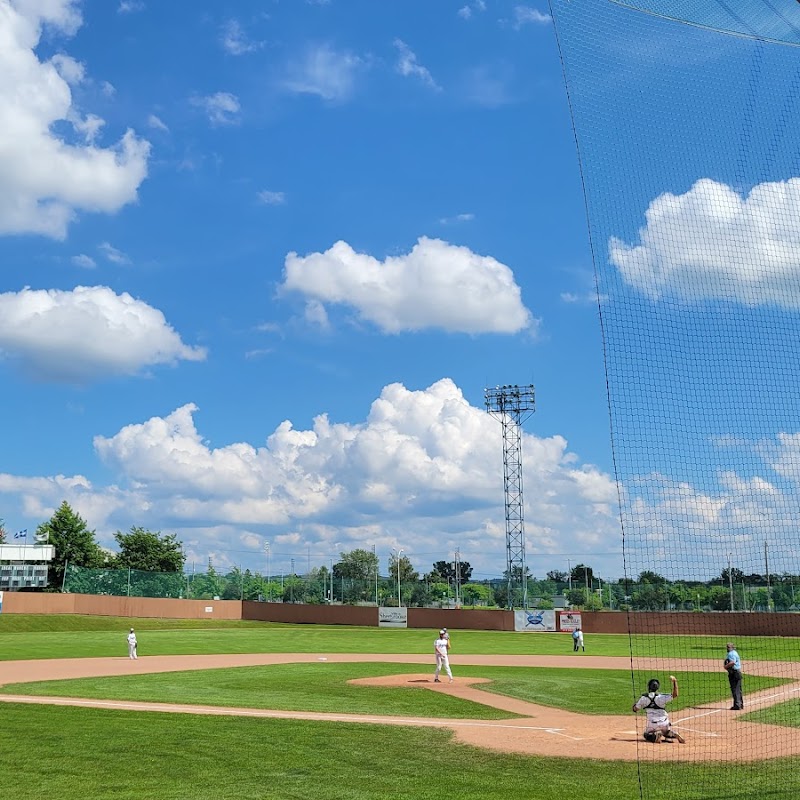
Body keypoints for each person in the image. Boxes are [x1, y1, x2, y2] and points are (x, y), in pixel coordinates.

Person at [632, 675, 685, 743]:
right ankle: (673, 734)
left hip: (653, 724)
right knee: (665, 733)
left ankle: (656, 736)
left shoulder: (643, 698)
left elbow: (636, 709)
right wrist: (675, 681)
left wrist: (634, 707)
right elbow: (675, 695)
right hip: (665, 723)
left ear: (649, 687)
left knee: (646, 734)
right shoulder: (661, 697)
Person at [724, 642, 743, 710]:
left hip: (734, 673)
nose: (727, 648)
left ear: (732, 647)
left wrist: (726, 666)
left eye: (728, 647)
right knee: (738, 689)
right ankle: (740, 704)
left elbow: (732, 662)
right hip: (738, 672)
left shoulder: (731, 654)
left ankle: (737, 705)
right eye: (727, 647)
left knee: (735, 689)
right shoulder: (735, 652)